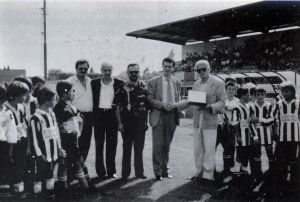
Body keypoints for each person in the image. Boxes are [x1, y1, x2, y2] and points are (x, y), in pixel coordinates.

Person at [147, 57, 187, 181]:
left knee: (167, 145)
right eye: (165, 66)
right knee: (158, 145)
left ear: (173, 68)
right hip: (159, 114)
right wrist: (162, 104)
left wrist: (182, 110)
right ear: (162, 66)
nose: (167, 69)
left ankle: (165, 171)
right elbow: (150, 99)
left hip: (171, 116)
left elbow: (178, 99)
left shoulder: (177, 82)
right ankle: (158, 172)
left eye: (170, 67)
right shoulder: (153, 81)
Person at [189, 60, 226, 183]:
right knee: (198, 148)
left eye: (203, 69)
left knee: (209, 148)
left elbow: (222, 102)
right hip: (197, 120)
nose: (201, 72)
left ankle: (208, 175)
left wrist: (211, 107)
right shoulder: (196, 84)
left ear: (209, 69)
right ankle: (198, 172)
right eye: (198, 70)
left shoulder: (218, 83)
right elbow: (192, 101)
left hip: (210, 120)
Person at [53, 81, 90, 198]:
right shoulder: (58, 108)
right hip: (65, 143)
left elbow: (79, 121)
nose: (73, 93)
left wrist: (78, 131)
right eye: (71, 91)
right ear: (64, 93)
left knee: (78, 162)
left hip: (73, 141)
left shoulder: (70, 106)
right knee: (64, 164)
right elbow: (59, 128)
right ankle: (64, 188)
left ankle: (85, 186)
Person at [29, 86, 66, 199]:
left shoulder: (52, 114)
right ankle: (37, 196)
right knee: (39, 175)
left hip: (53, 152)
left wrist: (59, 148)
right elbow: (34, 138)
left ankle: (50, 195)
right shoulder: (35, 118)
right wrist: (39, 154)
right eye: (54, 99)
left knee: (50, 174)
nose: (56, 101)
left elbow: (56, 133)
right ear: (46, 101)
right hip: (43, 154)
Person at [114, 63, 149, 180]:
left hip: (140, 123)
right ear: (127, 73)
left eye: (136, 72)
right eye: (131, 72)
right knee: (127, 149)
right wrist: (119, 122)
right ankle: (125, 174)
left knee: (139, 149)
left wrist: (146, 122)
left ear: (139, 72)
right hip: (127, 123)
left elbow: (147, 106)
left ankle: (139, 173)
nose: (134, 74)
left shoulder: (144, 86)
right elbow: (116, 106)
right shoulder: (122, 87)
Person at [91, 62, 124, 179]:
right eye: (104, 70)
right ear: (101, 70)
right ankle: (100, 172)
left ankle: (111, 171)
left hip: (112, 115)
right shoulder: (94, 83)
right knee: (99, 144)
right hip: (99, 115)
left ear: (112, 70)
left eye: (109, 70)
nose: (107, 72)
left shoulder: (119, 83)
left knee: (112, 144)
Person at [272, 81, 300, 196]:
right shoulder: (278, 104)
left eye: (287, 91)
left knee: (294, 161)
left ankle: (294, 182)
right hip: (282, 138)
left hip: (295, 138)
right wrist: (275, 132)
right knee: (281, 161)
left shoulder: (298, 103)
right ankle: (282, 182)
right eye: (283, 91)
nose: (285, 93)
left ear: (292, 91)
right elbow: (273, 119)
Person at [4, 81, 30, 198]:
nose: (27, 97)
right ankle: (15, 191)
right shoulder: (4, 109)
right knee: (13, 167)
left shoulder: (21, 107)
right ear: (15, 95)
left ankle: (21, 190)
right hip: (10, 143)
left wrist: (28, 144)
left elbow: (25, 125)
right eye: (24, 94)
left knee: (23, 165)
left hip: (22, 140)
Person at [66, 59, 93, 162]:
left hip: (89, 117)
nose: (83, 70)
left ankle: (81, 169)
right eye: (80, 68)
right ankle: (72, 172)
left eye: (85, 69)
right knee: (74, 143)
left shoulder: (90, 81)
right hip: (74, 117)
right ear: (76, 69)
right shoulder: (69, 82)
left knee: (86, 144)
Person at [249, 87, 274, 193]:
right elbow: (250, 122)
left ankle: (272, 173)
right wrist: (255, 136)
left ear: (265, 95)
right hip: (256, 135)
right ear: (254, 95)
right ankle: (257, 174)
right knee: (257, 155)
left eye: (262, 94)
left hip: (268, 134)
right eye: (257, 95)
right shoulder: (251, 106)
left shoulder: (269, 105)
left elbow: (271, 120)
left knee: (270, 154)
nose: (260, 97)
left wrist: (259, 120)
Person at [215, 81, 239, 183]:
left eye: (233, 89)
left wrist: (229, 108)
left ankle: (227, 169)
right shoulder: (222, 99)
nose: (231, 91)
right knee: (213, 147)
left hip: (230, 127)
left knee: (228, 148)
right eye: (229, 89)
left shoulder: (237, 101)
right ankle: (212, 169)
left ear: (236, 90)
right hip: (219, 126)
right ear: (226, 89)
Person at [0, 83, 18, 195]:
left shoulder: (7, 113)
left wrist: (10, 152)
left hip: (2, 146)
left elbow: (11, 133)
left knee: (4, 176)